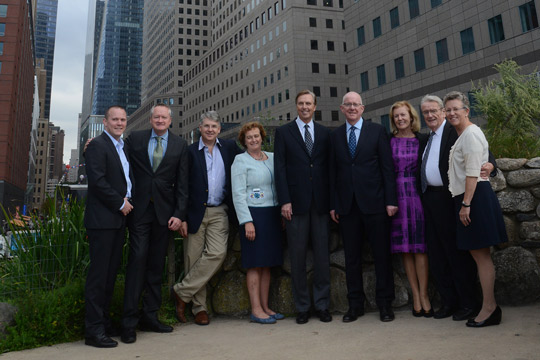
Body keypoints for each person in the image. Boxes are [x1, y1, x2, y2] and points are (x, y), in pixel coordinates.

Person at [419, 94, 496, 321]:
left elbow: (481, 151)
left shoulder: (456, 130)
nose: (430, 115)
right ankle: (448, 302)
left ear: (443, 112)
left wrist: (492, 163)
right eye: (426, 112)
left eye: (434, 110)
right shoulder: (426, 138)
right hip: (429, 200)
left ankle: (467, 303)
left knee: (456, 254)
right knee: (437, 254)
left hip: (450, 199)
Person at [120, 104, 189, 344]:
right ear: (151, 120)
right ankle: (128, 323)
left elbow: (182, 183)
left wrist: (179, 214)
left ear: (171, 120)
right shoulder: (135, 139)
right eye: (156, 117)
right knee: (137, 261)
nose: (160, 120)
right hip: (139, 212)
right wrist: (91, 147)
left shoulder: (180, 145)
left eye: (164, 117)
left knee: (156, 266)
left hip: (165, 215)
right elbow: (116, 154)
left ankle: (150, 317)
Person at [329, 91, 398, 323]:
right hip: (347, 208)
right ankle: (355, 306)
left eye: (355, 105)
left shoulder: (377, 131)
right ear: (341, 108)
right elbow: (333, 174)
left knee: (381, 257)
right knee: (352, 259)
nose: (351, 108)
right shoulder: (335, 136)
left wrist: (391, 200)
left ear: (362, 108)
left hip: (376, 204)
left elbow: (387, 168)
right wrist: (334, 204)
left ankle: (385, 305)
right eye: (347, 104)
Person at [172, 111, 242, 326]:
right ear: (199, 129)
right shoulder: (190, 152)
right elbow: (182, 185)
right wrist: (181, 217)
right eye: (206, 126)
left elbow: (250, 157)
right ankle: (199, 308)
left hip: (220, 210)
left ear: (219, 129)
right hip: (194, 213)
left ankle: (181, 292)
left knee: (217, 253)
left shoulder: (229, 148)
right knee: (193, 260)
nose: (210, 130)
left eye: (214, 126)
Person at [444, 91, 507, 327]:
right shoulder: (462, 134)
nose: (451, 113)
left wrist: (466, 204)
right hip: (471, 198)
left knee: (482, 257)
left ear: (466, 111)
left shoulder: (470, 134)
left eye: (455, 109)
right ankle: (490, 307)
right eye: (448, 109)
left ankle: (489, 308)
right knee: (478, 256)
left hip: (475, 199)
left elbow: (472, 172)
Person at [274, 90, 332, 324]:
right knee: (297, 258)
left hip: (321, 204)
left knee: (322, 257)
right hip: (295, 204)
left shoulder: (325, 133)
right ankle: (302, 307)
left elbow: (329, 169)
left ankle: (322, 305)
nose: (305, 107)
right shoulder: (283, 132)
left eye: (309, 103)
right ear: (296, 106)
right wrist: (284, 200)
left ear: (315, 106)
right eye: (301, 103)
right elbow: (280, 168)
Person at [84, 105, 133, 348]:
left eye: (123, 119)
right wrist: (119, 203)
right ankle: (93, 330)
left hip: (116, 222)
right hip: (103, 220)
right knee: (98, 277)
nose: (119, 123)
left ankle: (102, 323)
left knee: (110, 276)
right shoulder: (97, 145)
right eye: (115, 119)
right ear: (105, 122)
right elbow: (97, 181)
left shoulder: (122, 147)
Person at [231, 122, 284, 324]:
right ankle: (255, 310)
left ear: (262, 137)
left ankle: (266, 307)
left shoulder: (271, 158)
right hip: (253, 216)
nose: (254, 140)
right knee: (254, 264)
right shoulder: (240, 161)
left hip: (271, 214)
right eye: (249, 137)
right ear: (244, 142)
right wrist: (247, 221)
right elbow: (238, 193)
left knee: (267, 264)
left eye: (256, 136)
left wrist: (280, 213)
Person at [388, 101, 432, 317]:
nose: (400, 119)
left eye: (403, 115)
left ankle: (425, 295)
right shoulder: (388, 140)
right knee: (405, 248)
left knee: (420, 247)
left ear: (411, 116)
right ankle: (415, 295)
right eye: (396, 116)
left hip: (418, 196)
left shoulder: (423, 139)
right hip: (397, 197)